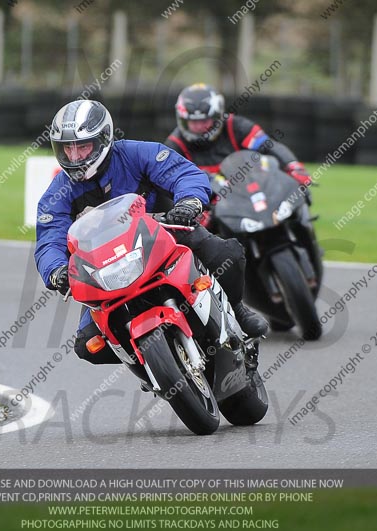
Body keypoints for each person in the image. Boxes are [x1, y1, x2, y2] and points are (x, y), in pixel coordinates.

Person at [34, 99, 268, 364]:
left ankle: (235, 309)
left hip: (164, 235)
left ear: (104, 139)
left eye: (83, 147)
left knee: (227, 254)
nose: (75, 158)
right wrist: (55, 270)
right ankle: (150, 365)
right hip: (105, 268)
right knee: (87, 346)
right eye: (67, 150)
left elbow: (183, 173)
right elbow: (49, 238)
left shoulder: (138, 153)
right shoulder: (58, 192)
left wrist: (189, 201)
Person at [164, 83, 321, 286]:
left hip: (255, 189)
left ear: (218, 115)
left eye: (205, 121)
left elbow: (270, 147)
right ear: (182, 119)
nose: (199, 127)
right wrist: (192, 208)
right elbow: (170, 184)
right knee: (200, 245)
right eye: (193, 122)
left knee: (297, 195)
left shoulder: (236, 126)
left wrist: (294, 167)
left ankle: (306, 236)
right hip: (216, 204)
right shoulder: (174, 146)